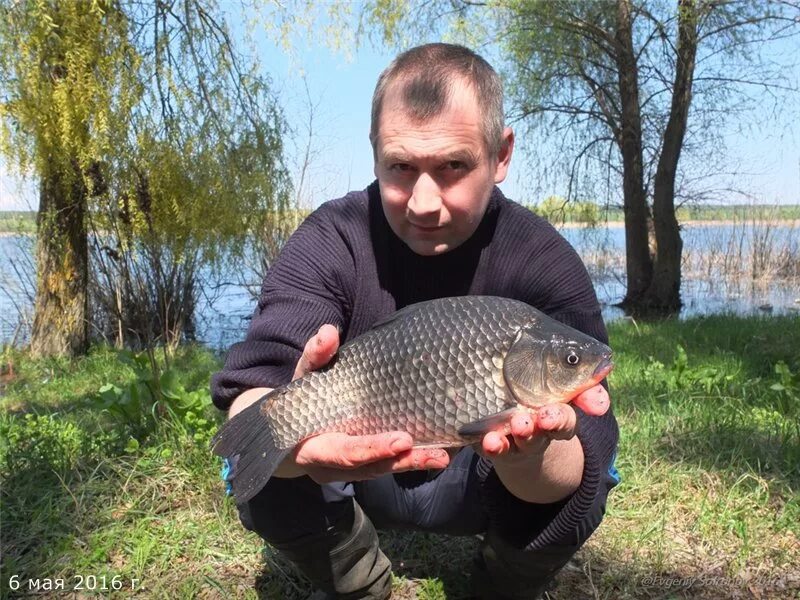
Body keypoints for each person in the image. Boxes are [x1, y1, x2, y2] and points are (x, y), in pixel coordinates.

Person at [211, 43, 619, 600]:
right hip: (354, 463)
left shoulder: (543, 261)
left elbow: (583, 459)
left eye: (453, 166)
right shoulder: (332, 237)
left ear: (500, 155)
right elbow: (250, 392)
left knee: (589, 479)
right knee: (260, 447)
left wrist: (533, 454)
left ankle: (498, 585)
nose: (424, 202)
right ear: (375, 153)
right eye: (400, 168)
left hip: (481, 476)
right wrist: (294, 444)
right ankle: (361, 583)